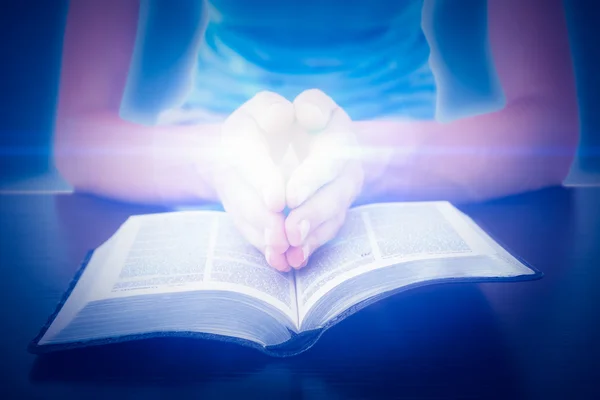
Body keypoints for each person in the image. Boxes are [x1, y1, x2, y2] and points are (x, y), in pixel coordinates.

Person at [53, 0, 579, 272]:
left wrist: (367, 159)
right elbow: (77, 138)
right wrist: (214, 160)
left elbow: (551, 130)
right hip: (206, 167)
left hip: (414, 184)